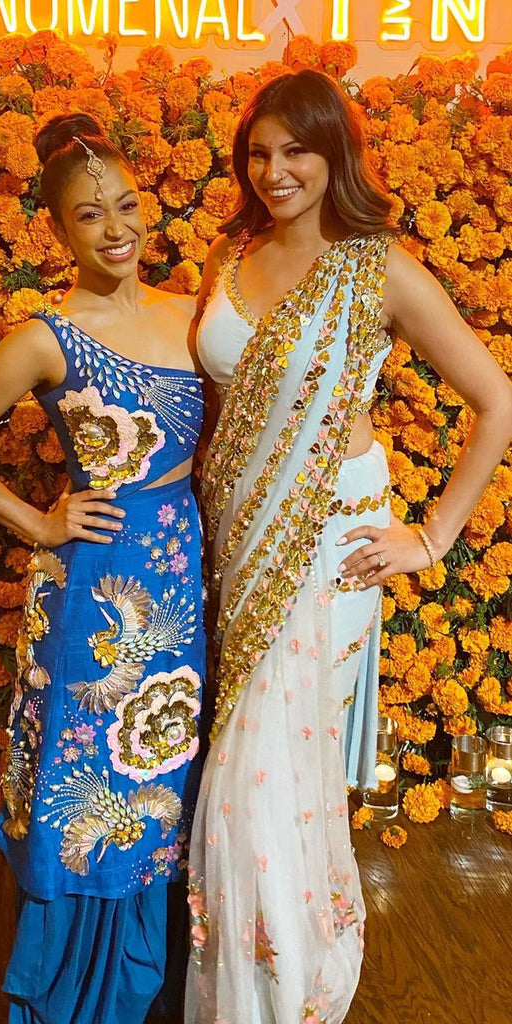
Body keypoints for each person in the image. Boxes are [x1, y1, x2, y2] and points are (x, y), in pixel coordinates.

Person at [185, 70, 512, 1024]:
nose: (274, 170)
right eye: (258, 153)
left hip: (329, 550)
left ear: (336, 152)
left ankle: (277, 997)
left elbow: (496, 401)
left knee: (261, 780)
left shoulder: (381, 270)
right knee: (251, 772)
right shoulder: (230, 252)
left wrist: (432, 536)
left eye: (296, 149)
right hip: (230, 543)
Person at [0, 114, 206, 1024]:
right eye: (90, 215)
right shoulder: (46, 337)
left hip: (180, 583)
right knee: (86, 781)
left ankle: (141, 990)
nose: (116, 228)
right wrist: (39, 522)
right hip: (94, 592)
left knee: (155, 780)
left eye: (126, 205)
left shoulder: (192, 312)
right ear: (56, 230)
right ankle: (68, 1000)